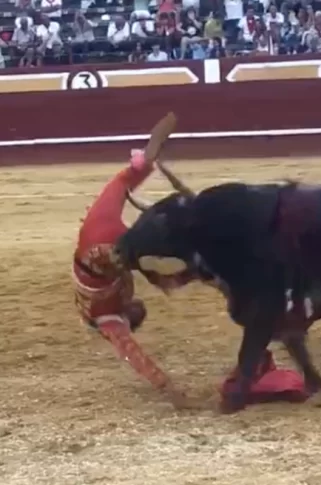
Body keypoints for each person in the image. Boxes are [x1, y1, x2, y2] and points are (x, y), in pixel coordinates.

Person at [72, 113, 188, 407]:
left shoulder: (107, 319)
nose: (139, 307)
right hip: (96, 237)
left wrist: (168, 389)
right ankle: (149, 156)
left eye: (137, 314)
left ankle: (152, 156)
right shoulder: (116, 304)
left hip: (100, 250)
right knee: (125, 178)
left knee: (138, 253)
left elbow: (134, 355)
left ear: (128, 318)